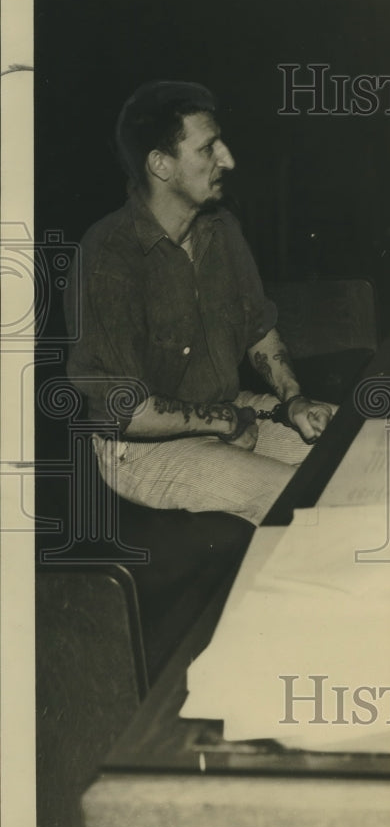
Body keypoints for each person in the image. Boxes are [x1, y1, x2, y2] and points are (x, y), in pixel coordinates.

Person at [65, 80, 337, 525]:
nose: (227, 159)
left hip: (227, 406)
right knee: (301, 501)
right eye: (208, 148)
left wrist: (294, 400)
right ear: (161, 164)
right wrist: (225, 421)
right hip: (141, 449)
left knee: (357, 445)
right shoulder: (108, 257)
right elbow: (127, 411)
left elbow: (258, 328)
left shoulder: (222, 228)